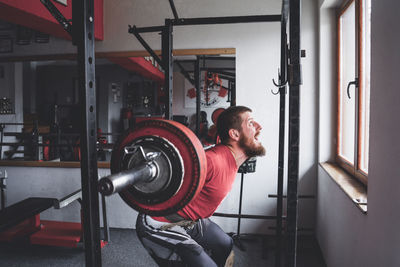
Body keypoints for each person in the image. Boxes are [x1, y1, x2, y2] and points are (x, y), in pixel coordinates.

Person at [136, 106, 266, 267]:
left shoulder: (230, 160)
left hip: (190, 220)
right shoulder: (212, 160)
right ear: (234, 134)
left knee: (225, 244)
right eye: (251, 123)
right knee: (198, 258)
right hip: (157, 221)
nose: (259, 126)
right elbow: (166, 181)